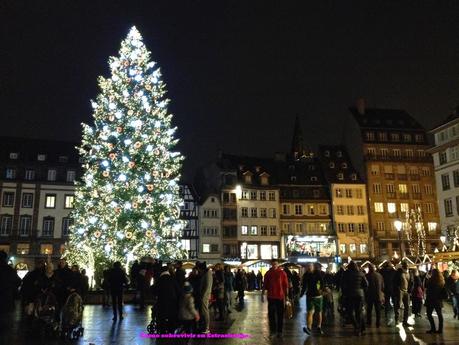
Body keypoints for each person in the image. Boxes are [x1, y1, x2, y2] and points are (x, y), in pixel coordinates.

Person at [340, 261, 368, 336]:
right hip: (359, 295)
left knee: (349, 312)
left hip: (349, 295)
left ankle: (357, 326)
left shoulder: (346, 273)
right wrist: (362, 290)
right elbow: (366, 284)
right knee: (359, 312)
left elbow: (342, 284)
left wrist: (344, 293)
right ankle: (361, 328)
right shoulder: (361, 273)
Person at [262, 259, 289, 338]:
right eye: (273, 264)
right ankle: (273, 331)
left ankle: (280, 331)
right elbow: (265, 284)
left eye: (276, 264)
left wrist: (287, 296)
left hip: (280, 297)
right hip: (271, 297)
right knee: (271, 315)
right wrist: (262, 294)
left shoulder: (282, 273)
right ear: (271, 264)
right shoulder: (268, 273)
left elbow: (286, 285)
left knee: (280, 315)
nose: (274, 265)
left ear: (278, 264)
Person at [153, 265, 181, 334]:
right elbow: (178, 290)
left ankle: (162, 330)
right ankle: (171, 330)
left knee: (161, 316)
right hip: (172, 301)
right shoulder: (172, 278)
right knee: (171, 315)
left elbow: (154, 290)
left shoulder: (159, 279)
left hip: (162, 301)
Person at [301, 263, 325, 335]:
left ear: (313, 267)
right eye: (308, 267)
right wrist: (301, 294)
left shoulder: (317, 273)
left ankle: (319, 327)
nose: (309, 268)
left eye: (310, 267)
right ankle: (309, 328)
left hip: (318, 296)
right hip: (310, 296)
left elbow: (322, 282)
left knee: (319, 312)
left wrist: (320, 290)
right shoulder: (305, 275)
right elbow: (304, 286)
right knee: (310, 312)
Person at [0, 250, 21, 325]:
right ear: (6, 259)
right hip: (7, 300)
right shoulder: (10, 270)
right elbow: (18, 281)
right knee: (5, 324)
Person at [425, 269, 447, 334]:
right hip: (438, 300)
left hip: (431, 300)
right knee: (440, 315)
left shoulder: (431, 280)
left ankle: (433, 328)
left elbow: (427, 288)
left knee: (429, 314)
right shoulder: (442, 281)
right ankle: (440, 330)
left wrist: (427, 279)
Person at [394, 262, 412, 327]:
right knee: (398, 306)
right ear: (403, 266)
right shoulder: (399, 273)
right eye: (405, 265)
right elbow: (395, 282)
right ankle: (397, 320)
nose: (407, 267)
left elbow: (411, 282)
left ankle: (405, 321)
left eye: (407, 265)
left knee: (407, 307)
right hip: (400, 291)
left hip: (406, 292)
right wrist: (398, 290)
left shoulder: (409, 273)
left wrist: (410, 290)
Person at [197, 261, 212, 333]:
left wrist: (203, 296)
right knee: (204, 311)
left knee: (205, 311)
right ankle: (205, 326)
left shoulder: (207, 274)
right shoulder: (206, 273)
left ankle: (207, 328)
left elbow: (207, 286)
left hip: (204, 296)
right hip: (203, 295)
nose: (198, 270)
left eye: (198, 269)